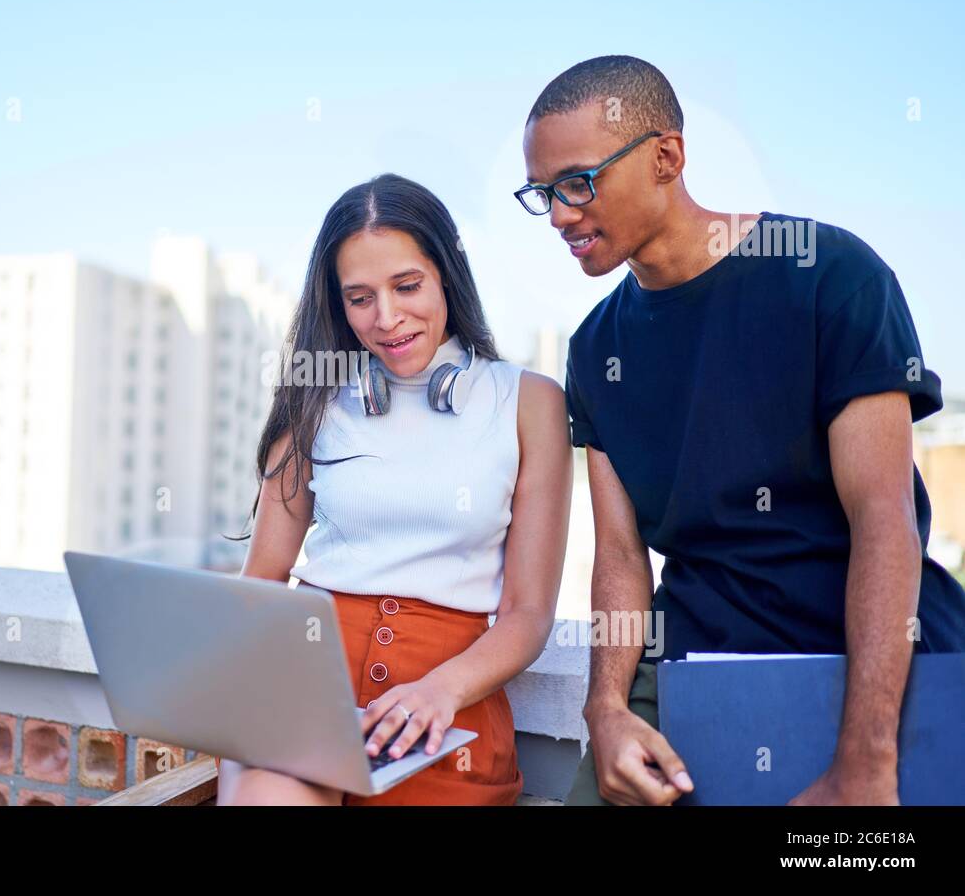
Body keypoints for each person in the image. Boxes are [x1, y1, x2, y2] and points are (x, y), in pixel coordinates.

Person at [514, 55, 965, 806]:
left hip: (870, 661)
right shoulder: (595, 350)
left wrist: (865, 761)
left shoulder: (831, 276)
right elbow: (622, 558)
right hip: (695, 665)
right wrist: (607, 710)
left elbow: (885, 525)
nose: (559, 213)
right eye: (543, 193)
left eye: (578, 182)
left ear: (666, 157)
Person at [215, 173, 572, 805]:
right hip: (302, 699)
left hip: (446, 720)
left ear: (446, 276)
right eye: (359, 298)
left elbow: (527, 615)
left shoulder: (528, 403)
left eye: (407, 286)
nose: (387, 318)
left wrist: (441, 689)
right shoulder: (312, 402)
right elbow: (262, 578)